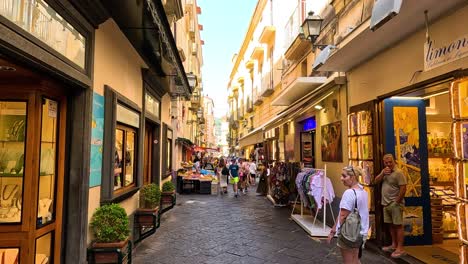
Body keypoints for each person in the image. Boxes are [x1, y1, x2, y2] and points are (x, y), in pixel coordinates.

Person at [328, 166, 369, 264]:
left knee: (349, 261)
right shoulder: (363, 191)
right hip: (361, 232)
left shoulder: (349, 193)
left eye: (344, 176)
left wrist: (333, 231)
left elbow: (342, 215)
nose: (341, 179)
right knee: (355, 258)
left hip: (349, 233)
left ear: (353, 177)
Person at [374, 153, 407, 258]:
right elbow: (375, 181)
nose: (388, 164)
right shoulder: (385, 172)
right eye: (386, 162)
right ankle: (394, 244)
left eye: (390, 162)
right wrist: (382, 173)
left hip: (394, 204)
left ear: (394, 161)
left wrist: (397, 202)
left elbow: (403, 188)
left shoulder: (399, 173)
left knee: (398, 225)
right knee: (391, 225)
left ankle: (400, 248)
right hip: (386, 203)